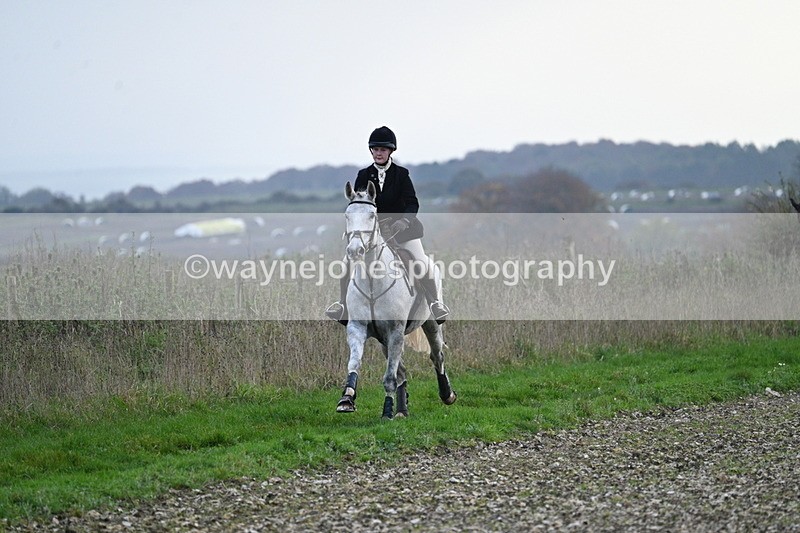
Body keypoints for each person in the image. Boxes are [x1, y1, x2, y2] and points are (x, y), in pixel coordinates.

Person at [326, 125, 450, 325]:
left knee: (420, 262)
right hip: (372, 232)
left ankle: (435, 303)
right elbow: (360, 204)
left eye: (383, 149)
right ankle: (343, 305)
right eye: (375, 149)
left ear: (391, 151)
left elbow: (412, 203)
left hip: (403, 231)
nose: (378, 153)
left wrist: (403, 220)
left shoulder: (401, 174)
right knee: (347, 264)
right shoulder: (364, 175)